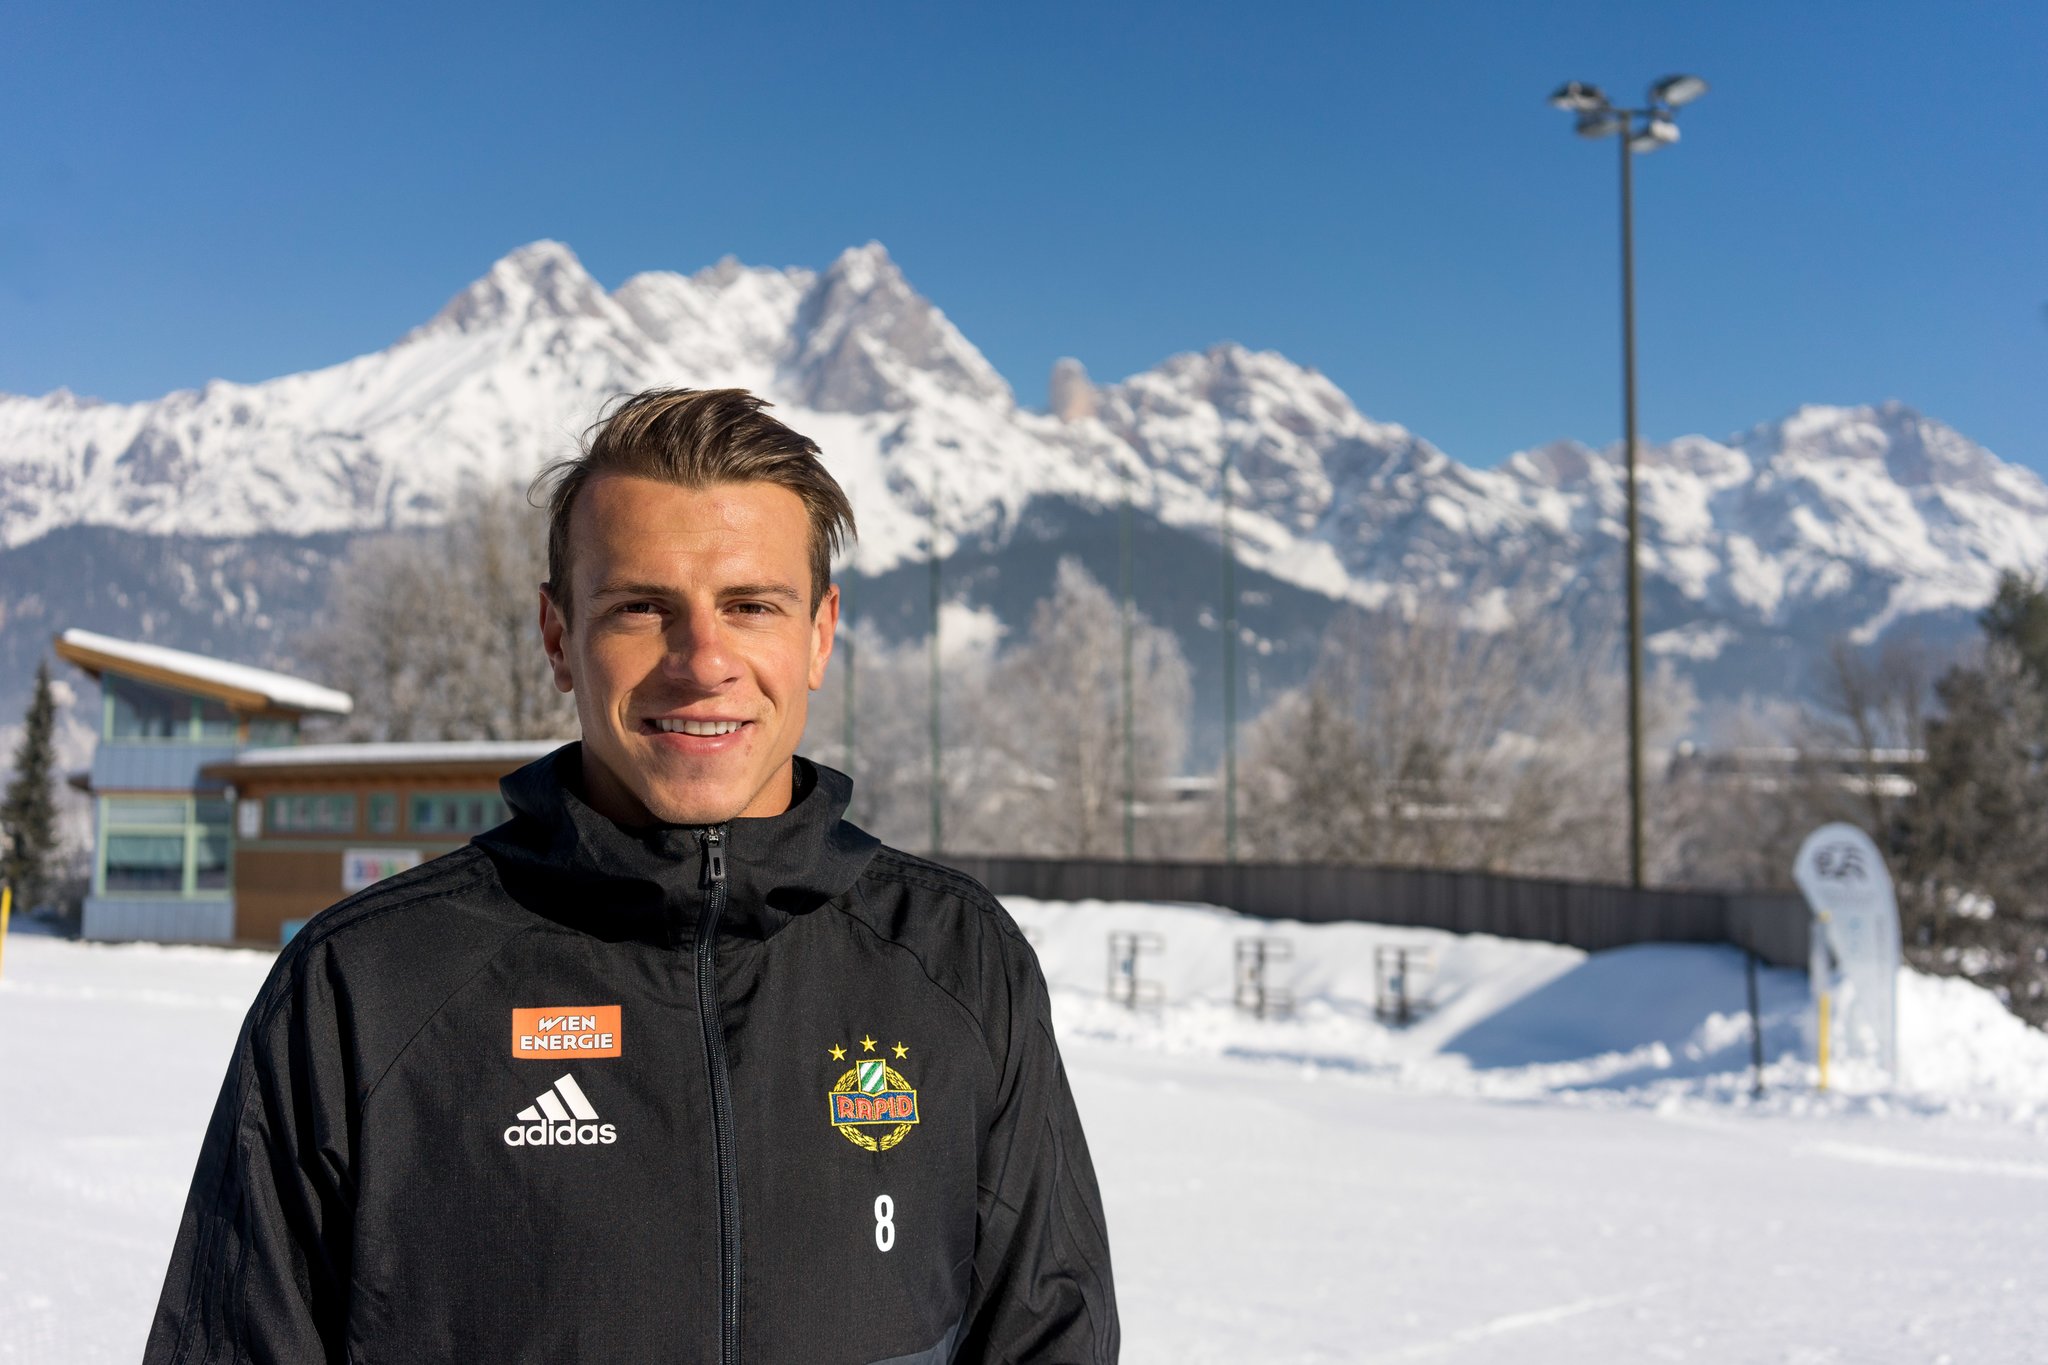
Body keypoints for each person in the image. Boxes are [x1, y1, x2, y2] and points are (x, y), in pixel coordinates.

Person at [145, 388, 1119, 1364]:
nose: (702, 663)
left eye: (750, 606)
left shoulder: (955, 965)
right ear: (558, 636)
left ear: (819, 634)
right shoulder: (363, 988)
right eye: (641, 607)